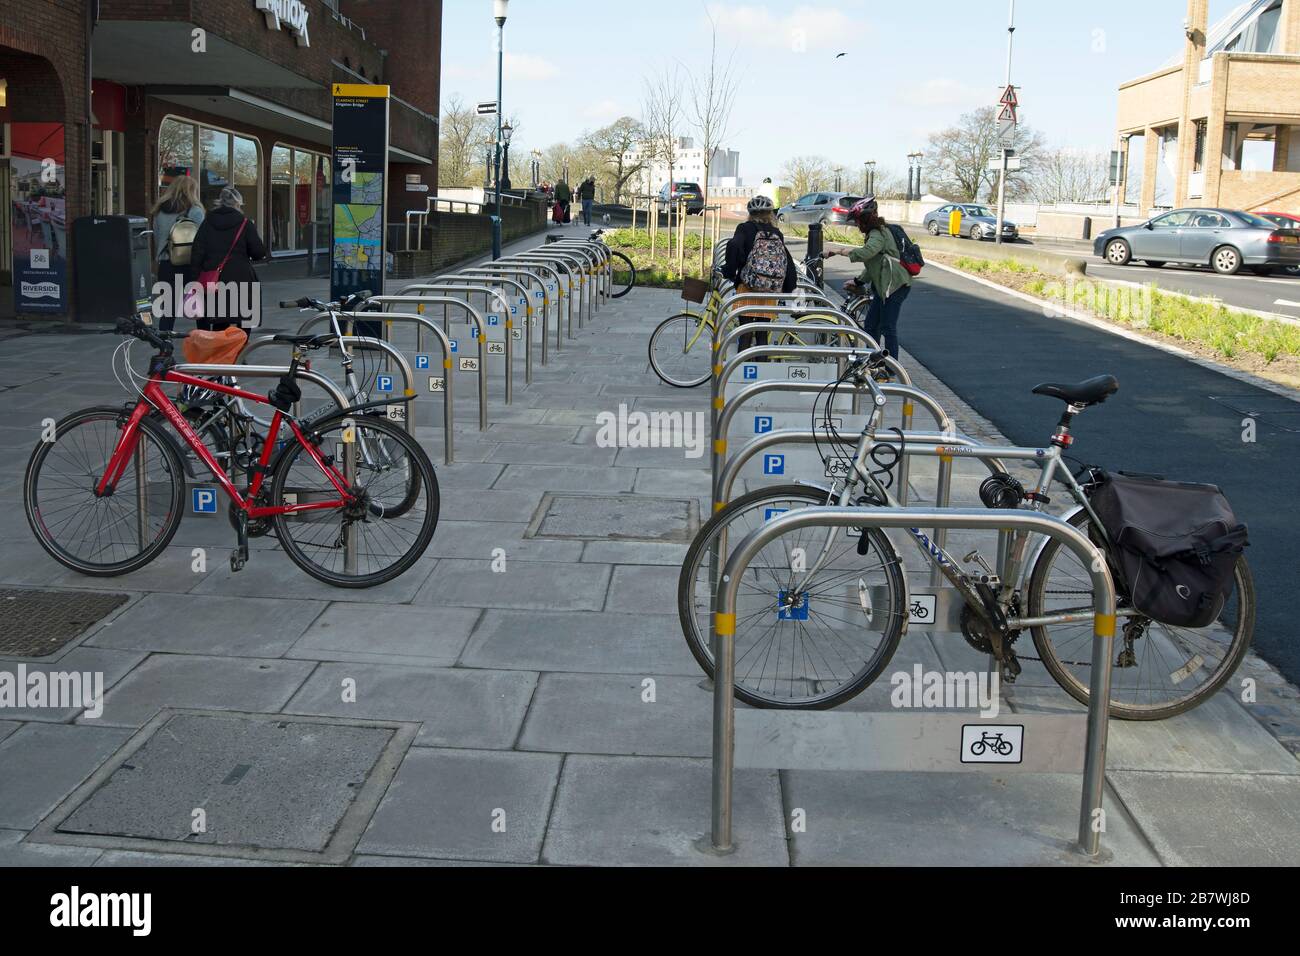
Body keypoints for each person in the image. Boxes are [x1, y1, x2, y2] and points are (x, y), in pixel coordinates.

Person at [826, 196, 912, 361]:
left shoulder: (877, 233)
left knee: (888, 327)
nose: (857, 225)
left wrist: (839, 251)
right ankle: (873, 361)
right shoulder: (877, 232)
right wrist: (858, 281)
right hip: (883, 287)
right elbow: (873, 264)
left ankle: (892, 368)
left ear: (865, 219)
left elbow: (867, 253)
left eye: (857, 221)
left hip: (895, 286)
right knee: (871, 326)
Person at [721, 194, 797, 356]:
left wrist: (729, 271)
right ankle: (762, 368)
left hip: (747, 287)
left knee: (745, 333)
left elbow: (734, 245)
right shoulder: (776, 232)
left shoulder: (744, 228)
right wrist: (789, 287)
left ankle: (742, 368)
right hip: (769, 290)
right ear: (770, 214)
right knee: (762, 334)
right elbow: (786, 260)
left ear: (750, 214)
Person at [190, 185, 267, 331]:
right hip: (241, 277)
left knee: (219, 320)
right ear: (238, 203)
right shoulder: (245, 223)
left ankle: (220, 344)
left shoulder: (207, 223)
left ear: (220, 202)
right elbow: (258, 252)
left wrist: (195, 279)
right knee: (244, 319)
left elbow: (197, 253)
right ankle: (240, 345)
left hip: (214, 280)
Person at [150, 175, 205, 331]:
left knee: (168, 310)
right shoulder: (195, 211)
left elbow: (157, 238)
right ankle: (204, 341)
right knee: (198, 308)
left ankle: (164, 343)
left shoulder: (159, 212)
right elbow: (202, 240)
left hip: (166, 264)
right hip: (190, 265)